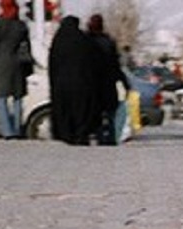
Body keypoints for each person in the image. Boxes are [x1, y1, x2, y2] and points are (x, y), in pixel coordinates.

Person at [0, 0, 33, 140]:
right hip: (18, 66)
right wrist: (29, 68)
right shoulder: (21, 25)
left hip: (3, 64)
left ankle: (7, 131)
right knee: (18, 98)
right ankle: (17, 129)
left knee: (1, 98)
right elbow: (27, 47)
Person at [48, 15, 96, 145]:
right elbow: (91, 63)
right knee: (81, 110)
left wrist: (53, 83)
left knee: (64, 110)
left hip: (61, 83)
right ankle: (81, 135)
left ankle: (66, 135)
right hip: (81, 82)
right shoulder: (83, 39)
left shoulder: (58, 40)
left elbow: (52, 64)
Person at [86, 14, 130, 146]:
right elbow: (115, 65)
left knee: (95, 113)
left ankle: (96, 134)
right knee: (110, 114)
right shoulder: (108, 42)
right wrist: (124, 83)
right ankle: (109, 137)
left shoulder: (85, 41)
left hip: (92, 84)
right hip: (108, 84)